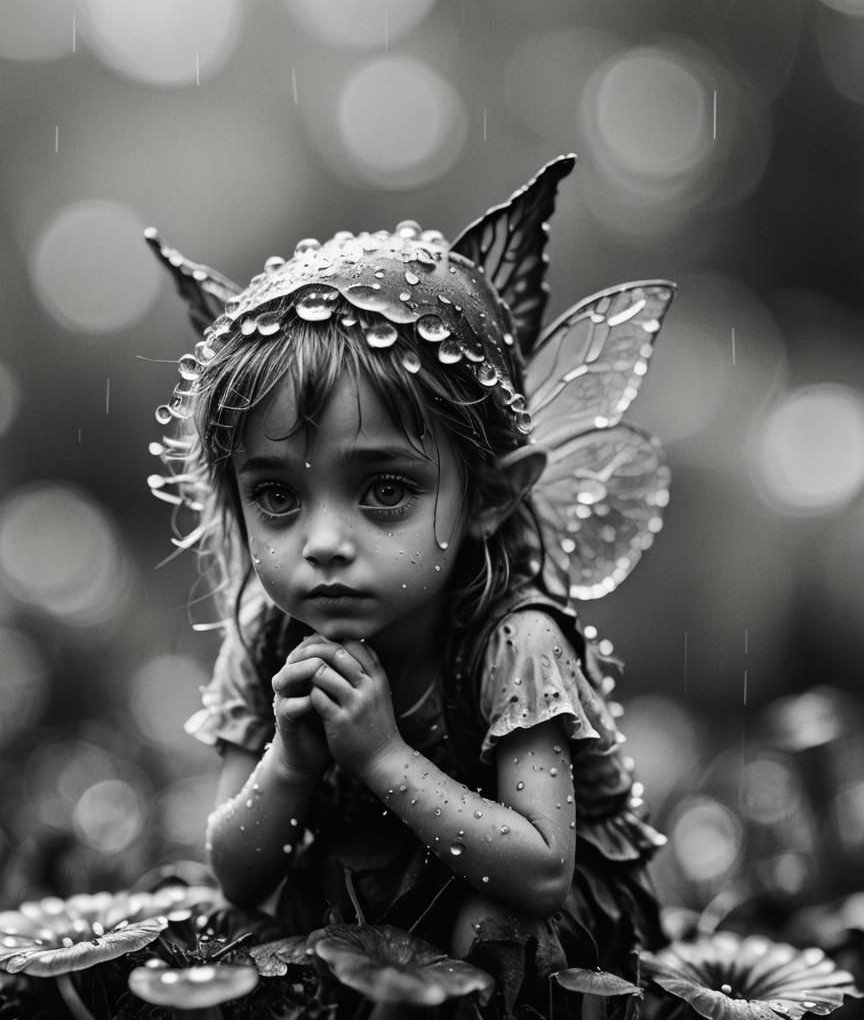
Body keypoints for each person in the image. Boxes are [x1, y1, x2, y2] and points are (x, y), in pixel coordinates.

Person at [146, 155, 673, 1019]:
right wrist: (291, 762)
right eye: (276, 494)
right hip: (376, 881)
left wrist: (381, 758)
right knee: (241, 925)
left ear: (492, 496)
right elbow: (237, 868)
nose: (321, 544)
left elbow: (543, 868)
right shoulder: (271, 635)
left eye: (384, 489)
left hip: (517, 898)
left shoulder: (514, 641)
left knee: (490, 927)